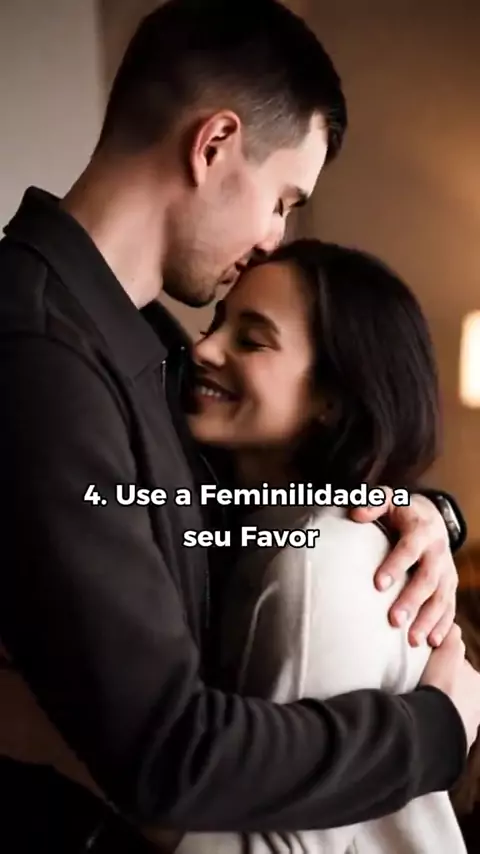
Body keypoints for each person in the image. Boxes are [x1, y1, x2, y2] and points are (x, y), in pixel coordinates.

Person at [0, 0, 477, 850]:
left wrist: (428, 516)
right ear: (214, 143)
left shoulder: (144, 340)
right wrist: (435, 730)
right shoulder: (37, 350)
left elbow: (247, 495)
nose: (272, 239)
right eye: (284, 199)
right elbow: (168, 753)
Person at [179, 238, 469, 852]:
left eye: (251, 340)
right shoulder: (259, 525)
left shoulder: (320, 563)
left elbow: (287, 848)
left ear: (331, 401)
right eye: (216, 324)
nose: (202, 349)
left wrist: (66, 749)